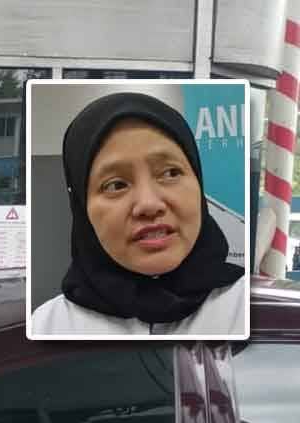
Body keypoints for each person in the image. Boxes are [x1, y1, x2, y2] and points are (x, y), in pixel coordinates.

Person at [30, 92, 247, 337]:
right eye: (116, 185)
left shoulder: (252, 309)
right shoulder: (49, 327)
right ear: (82, 207)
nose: (149, 204)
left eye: (170, 173)